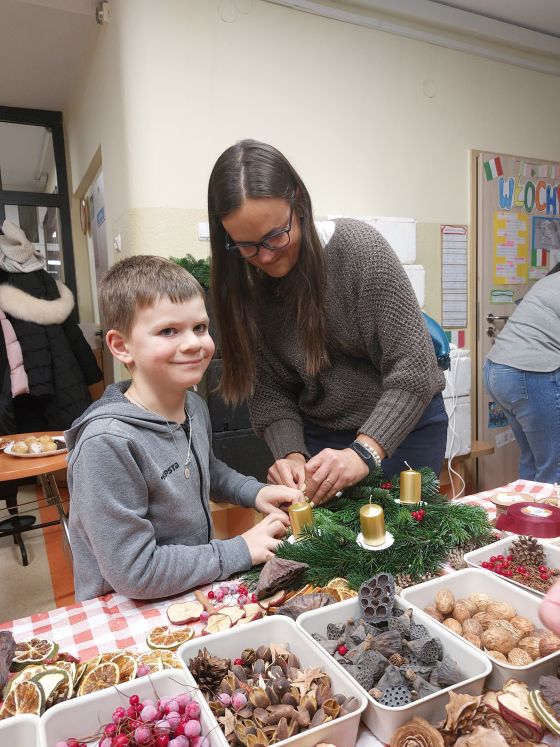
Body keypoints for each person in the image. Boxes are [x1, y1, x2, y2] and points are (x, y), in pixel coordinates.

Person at [207, 139, 447, 508]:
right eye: (248, 246)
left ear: (298, 201)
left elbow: (414, 370)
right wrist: (291, 455)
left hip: (402, 429)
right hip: (321, 438)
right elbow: (270, 392)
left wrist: (364, 453)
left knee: (404, 549)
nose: (266, 256)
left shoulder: (359, 251)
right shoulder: (247, 290)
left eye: (275, 235)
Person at [65, 256, 302, 601]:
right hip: (125, 612)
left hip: (188, 585)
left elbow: (207, 470)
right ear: (121, 346)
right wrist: (238, 550)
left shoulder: (193, 406)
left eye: (200, 328)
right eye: (168, 331)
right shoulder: (107, 444)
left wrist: (254, 492)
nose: (193, 343)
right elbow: (136, 572)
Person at [484, 263, 560, 484]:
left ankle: (521, 517)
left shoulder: (548, 282)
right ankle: (544, 519)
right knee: (554, 467)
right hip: (529, 374)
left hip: (497, 370)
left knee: (532, 459)